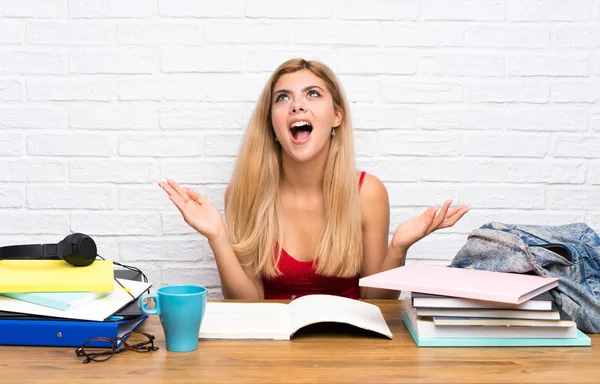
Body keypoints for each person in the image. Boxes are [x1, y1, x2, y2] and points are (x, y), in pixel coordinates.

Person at [159, 58, 469, 300]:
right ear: (271, 123)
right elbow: (248, 300)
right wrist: (217, 237)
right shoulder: (246, 192)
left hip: (347, 348)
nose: (297, 104)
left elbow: (376, 303)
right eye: (282, 98)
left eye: (313, 94)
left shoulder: (367, 193)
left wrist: (398, 247)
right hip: (272, 350)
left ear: (337, 116)